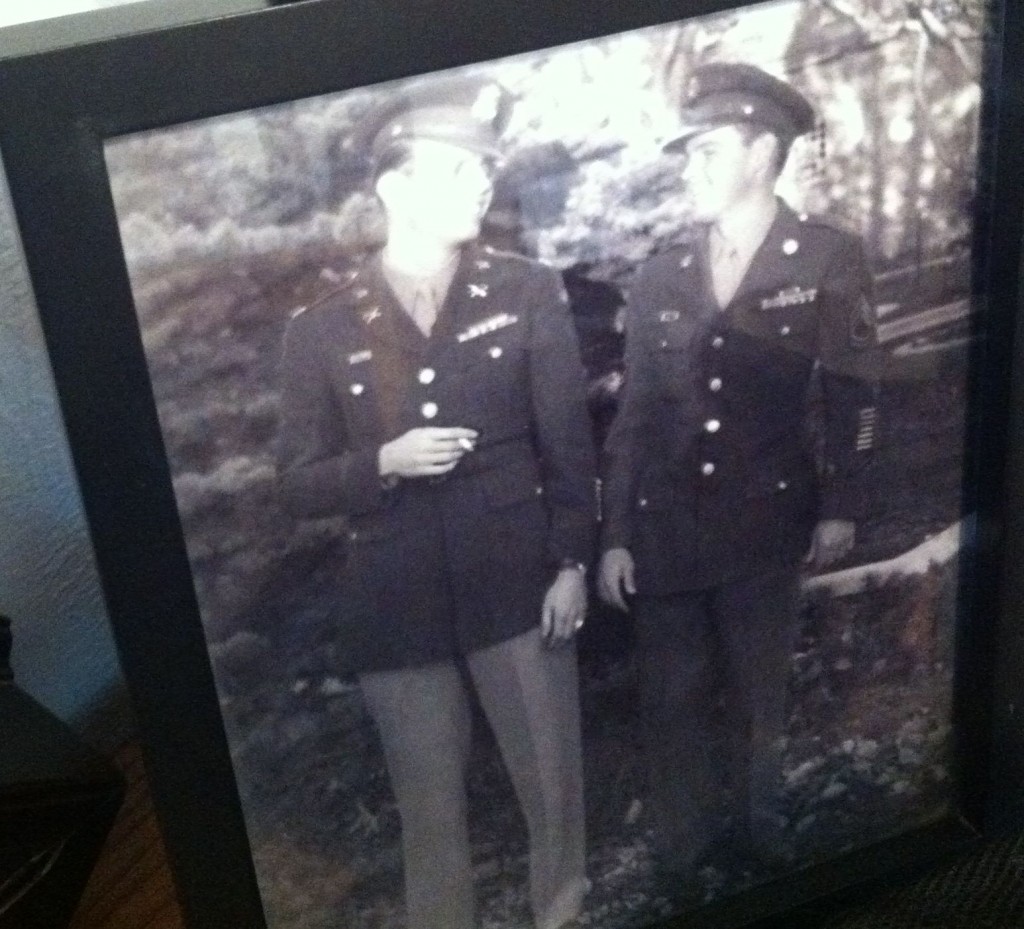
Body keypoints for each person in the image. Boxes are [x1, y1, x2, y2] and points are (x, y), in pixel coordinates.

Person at [276, 75, 596, 929]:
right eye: (456, 171)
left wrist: (572, 561)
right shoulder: (321, 329)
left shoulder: (527, 291)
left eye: (484, 174)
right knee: (428, 812)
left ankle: (561, 914)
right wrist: (381, 460)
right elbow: (295, 483)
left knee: (553, 791)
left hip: (518, 586)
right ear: (394, 188)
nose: (479, 188)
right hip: (397, 603)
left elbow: (570, 444)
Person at [597, 62, 879, 880]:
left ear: (763, 151)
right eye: (687, 155)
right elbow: (635, 418)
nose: (692, 169)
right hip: (665, 528)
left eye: (709, 149)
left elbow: (858, 390)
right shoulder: (660, 273)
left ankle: (763, 839)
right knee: (672, 702)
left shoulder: (826, 256)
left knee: (760, 696)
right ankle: (687, 862)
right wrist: (615, 534)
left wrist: (843, 503)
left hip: (766, 518)